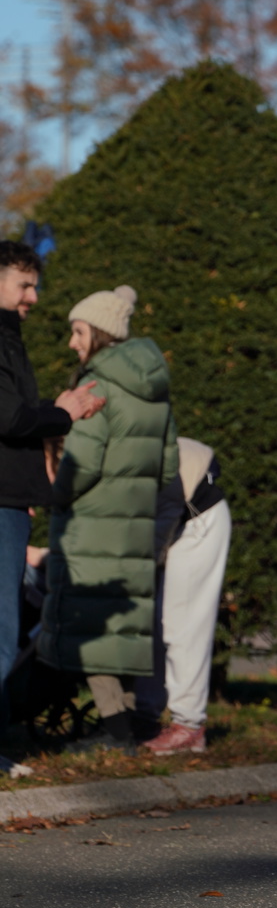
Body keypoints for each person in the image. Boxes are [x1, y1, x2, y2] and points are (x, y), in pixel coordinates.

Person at [38, 284, 177, 752]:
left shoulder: (95, 385)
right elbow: (169, 467)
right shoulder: (154, 387)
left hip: (91, 522)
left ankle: (116, 731)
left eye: (78, 332)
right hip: (135, 521)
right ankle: (131, 722)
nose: (72, 343)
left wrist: (52, 494)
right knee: (123, 623)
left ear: (99, 332)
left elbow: (81, 465)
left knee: (92, 621)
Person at [0, 240, 104, 725]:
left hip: (11, 501)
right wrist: (63, 413)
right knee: (2, 635)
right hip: (3, 503)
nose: (34, 297)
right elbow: (9, 417)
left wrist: (55, 411)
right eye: (25, 285)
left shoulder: (9, 335)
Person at [136, 437, 232, 754]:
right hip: (171, 513)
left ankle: (188, 726)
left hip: (196, 516)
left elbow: (163, 512)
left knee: (183, 625)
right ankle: (146, 715)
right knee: (149, 623)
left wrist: (142, 563)